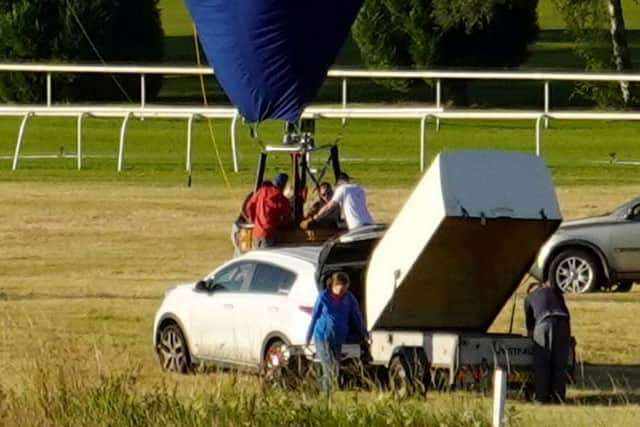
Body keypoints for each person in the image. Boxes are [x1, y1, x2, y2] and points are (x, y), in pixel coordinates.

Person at [306, 271, 368, 396]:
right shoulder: (323, 296)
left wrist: (364, 333)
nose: (342, 292)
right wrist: (308, 337)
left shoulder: (349, 298)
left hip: (338, 338)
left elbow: (357, 317)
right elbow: (314, 317)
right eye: (339, 289)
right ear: (333, 285)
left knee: (334, 368)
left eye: (344, 289)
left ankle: (320, 391)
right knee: (330, 367)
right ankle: (325, 396)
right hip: (322, 336)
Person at [524, 281, 572, 403]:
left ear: (530, 291)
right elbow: (566, 311)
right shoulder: (554, 291)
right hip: (563, 322)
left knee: (542, 363)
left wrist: (531, 339)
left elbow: (530, 327)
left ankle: (541, 398)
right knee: (559, 363)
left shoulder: (529, 298)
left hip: (544, 322)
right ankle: (558, 398)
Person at [244, 173, 292, 248]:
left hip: (257, 232)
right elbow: (287, 219)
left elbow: (249, 206)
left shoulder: (262, 191)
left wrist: (253, 220)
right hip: (270, 234)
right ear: (284, 185)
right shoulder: (283, 200)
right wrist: (281, 224)